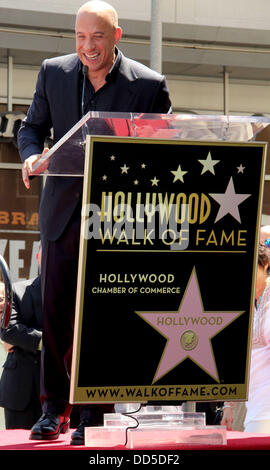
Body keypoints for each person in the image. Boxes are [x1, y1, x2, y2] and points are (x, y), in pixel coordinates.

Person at [17, 1, 172, 445]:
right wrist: (30, 155)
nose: (88, 47)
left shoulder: (148, 86)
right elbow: (30, 128)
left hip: (118, 221)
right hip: (62, 216)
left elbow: (164, 149)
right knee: (56, 313)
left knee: (103, 317)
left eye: (97, 37)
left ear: (116, 36)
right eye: (81, 37)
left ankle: (93, 414)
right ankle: (53, 410)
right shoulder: (54, 72)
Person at [221, 243, 270, 432]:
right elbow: (237, 358)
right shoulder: (242, 303)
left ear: (265, 265)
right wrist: (228, 405)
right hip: (253, 403)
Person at [0, 247, 42, 429]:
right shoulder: (17, 290)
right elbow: (8, 329)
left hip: (62, 393)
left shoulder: (76, 293)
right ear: (38, 256)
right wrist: (50, 342)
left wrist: (23, 339)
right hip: (20, 390)